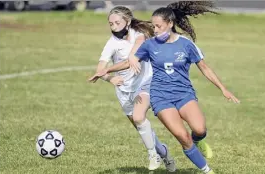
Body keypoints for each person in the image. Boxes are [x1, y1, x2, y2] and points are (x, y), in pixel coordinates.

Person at [89, 1, 240, 174]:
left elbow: (204, 67)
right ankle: (207, 170)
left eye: (159, 26)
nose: (155, 30)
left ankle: (198, 140)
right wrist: (107, 70)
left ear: (170, 24)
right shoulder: (150, 44)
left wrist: (223, 89)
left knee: (200, 129)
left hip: (184, 94)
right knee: (183, 137)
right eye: (153, 26)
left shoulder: (186, 44)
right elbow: (128, 62)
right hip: (160, 97)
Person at [88, 6, 176, 172]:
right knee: (141, 126)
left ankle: (152, 155)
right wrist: (109, 78)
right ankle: (163, 153)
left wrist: (111, 68)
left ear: (127, 22)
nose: (113, 26)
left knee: (138, 116)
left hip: (146, 81)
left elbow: (133, 57)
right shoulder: (111, 44)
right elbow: (100, 67)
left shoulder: (139, 34)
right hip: (124, 91)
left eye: (117, 22)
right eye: (111, 24)